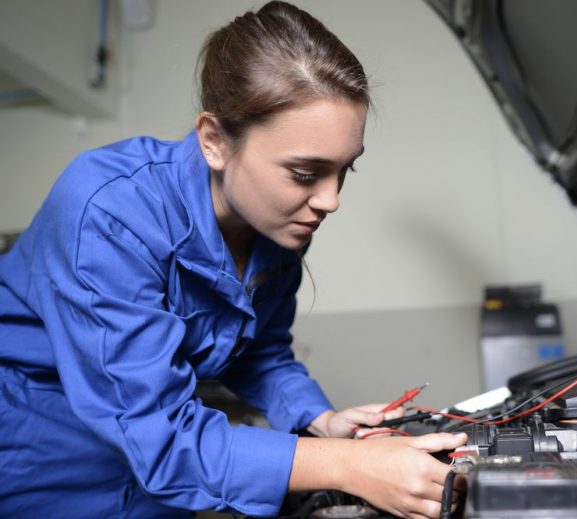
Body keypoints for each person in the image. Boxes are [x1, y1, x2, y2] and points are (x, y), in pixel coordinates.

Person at [0, 2, 466, 517]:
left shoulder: (278, 225)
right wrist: (348, 464)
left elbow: (260, 353)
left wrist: (320, 419)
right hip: (40, 449)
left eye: (344, 171)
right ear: (215, 142)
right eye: (305, 173)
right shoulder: (106, 211)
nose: (330, 200)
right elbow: (160, 437)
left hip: (161, 472)